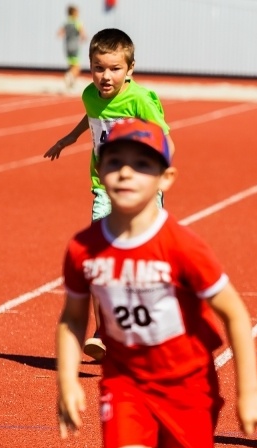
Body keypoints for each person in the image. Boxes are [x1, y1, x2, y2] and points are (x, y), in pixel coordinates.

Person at [57, 117, 257, 448]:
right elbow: (72, 319)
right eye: (115, 161)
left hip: (188, 386)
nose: (126, 172)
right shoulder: (83, 248)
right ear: (99, 170)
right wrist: (66, 382)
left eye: (143, 165)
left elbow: (236, 314)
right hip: (125, 383)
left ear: (165, 178)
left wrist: (250, 392)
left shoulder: (183, 246)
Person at [44, 28, 173, 361]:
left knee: (141, 263)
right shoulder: (89, 95)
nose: (106, 76)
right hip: (104, 189)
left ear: (129, 69)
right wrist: (68, 139)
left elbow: (165, 138)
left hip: (142, 191)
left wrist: (160, 176)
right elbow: (90, 118)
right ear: (89, 66)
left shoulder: (141, 99)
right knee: (101, 260)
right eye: (99, 68)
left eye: (115, 69)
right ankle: (103, 332)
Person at [58, 5, 86, 90]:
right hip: (75, 45)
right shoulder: (77, 22)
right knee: (77, 67)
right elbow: (82, 33)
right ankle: (69, 76)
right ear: (74, 13)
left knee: (71, 65)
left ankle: (71, 83)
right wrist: (82, 38)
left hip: (67, 45)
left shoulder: (66, 22)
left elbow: (60, 33)